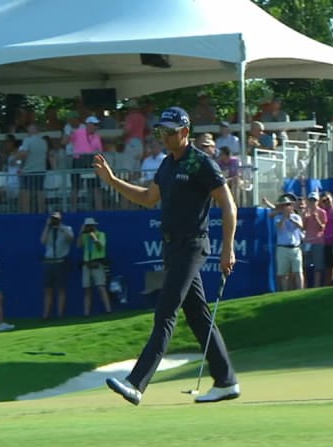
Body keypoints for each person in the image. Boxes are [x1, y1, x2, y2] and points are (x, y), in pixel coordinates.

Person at [93, 106, 239, 405]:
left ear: (185, 133)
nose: (163, 137)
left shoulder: (201, 163)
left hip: (193, 246)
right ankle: (226, 381)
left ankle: (136, 383)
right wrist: (112, 181)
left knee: (165, 313)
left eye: (169, 132)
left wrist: (228, 248)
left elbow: (228, 205)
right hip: (172, 248)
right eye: (160, 132)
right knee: (198, 317)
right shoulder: (167, 165)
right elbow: (148, 198)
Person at [40, 212, 74, 320]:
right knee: (48, 290)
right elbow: (43, 241)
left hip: (60, 262)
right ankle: (46, 315)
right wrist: (47, 226)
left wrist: (60, 227)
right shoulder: (48, 230)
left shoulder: (66, 228)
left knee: (61, 289)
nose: (54, 220)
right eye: (52, 218)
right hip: (49, 262)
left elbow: (70, 238)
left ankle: (60, 314)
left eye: (56, 219)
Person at [77, 217, 112, 317]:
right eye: (87, 226)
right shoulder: (84, 236)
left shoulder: (101, 234)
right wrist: (81, 231)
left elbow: (101, 247)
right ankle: (86, 313)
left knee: (101, 287)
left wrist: (94, 237)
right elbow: (78, 245)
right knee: (87, 289)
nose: (89, 228)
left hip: (97, 264)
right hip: (86, 264)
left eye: (90, 226)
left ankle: (108, 310)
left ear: (94, 226)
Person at [271, 193, 305, 291]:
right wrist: (284, 217)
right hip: (283, 248)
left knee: (298, 271)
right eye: (284, 205)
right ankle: (285, 292)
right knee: (283, 273)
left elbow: (300, 226)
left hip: (295, 248)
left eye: (288, 205)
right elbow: (279, 227)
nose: (286, 207)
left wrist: (290, 218)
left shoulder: (296, 217)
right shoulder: (278, 217)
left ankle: (300, 291)